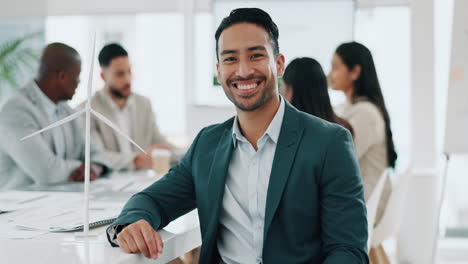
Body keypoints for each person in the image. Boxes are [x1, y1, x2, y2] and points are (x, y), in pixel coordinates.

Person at [107, 8, 368, 263]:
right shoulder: (207, 145)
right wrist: (133, 222)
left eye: (255, 56)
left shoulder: (329, 143)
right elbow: (151, 200)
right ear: (219, 71)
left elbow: (348, 250)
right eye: (230, 59)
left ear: (278, 65)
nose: (243, 71)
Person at [0, 43, 136, 190]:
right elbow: (47, 171)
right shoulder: (16, 111)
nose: (79, 82)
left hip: (59, 201)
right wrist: (84, 168)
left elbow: (96, 153)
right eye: (77, 76)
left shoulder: (65, 110)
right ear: (62, 76)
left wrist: (95, 167)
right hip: (18, 207)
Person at [329, 41, 397, 226]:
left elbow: (341, 161)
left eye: (335, 67)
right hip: (364, 200)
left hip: (368, 204)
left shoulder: (364, 113)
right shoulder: (351, 109)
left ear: (355, 72)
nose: (329, 74)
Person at [83, 43, 175, 170]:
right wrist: (136, 161)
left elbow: (159, 142)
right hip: (110, 184)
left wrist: (189, 152)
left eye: (129, 71)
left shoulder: (144, 104)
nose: (128, 80)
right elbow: (97, 156)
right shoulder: (88, 110)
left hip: (144, 181)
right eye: (120, 74)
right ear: (103, 76)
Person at [281, 57, 353, 135]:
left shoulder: (285, 133)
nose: (282, 96)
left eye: (282, 90)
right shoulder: (344, 128)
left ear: (290, 90)